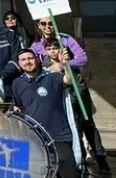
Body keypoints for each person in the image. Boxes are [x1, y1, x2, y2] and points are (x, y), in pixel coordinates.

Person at [42, 38, 109, 172]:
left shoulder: (70, 61)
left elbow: (78, 83)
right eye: (49, 49)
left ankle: (101, 158)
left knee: (89, 127)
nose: (52, 51)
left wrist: (63, 64)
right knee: (75, 131)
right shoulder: (45, 64)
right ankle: (81, 160)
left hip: (78, 100)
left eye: (55, 48)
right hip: (62, 104)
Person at [12, 49, 78, 178]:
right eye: (23, 60)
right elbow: (19, 107)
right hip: (34, 138)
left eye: (30, 58)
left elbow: (68, 80)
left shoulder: (52, 76)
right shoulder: (17, 83)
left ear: (37, 59)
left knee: (68, 174)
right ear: (19, 64)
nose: (27, 62)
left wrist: (66, 65)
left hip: (59, 136)